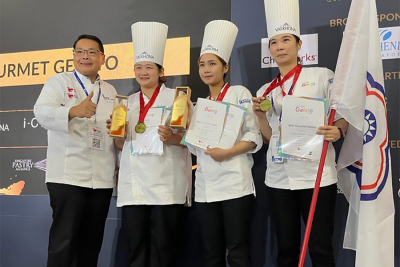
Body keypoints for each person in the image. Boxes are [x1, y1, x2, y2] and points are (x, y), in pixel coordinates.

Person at [252, 1, 348, 266]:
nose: (279, 46)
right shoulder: (265, 90)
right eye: (274, 42)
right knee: (286, 249)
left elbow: (342, 116)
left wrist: (338, 130)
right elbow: (270, 138)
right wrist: (261, 116)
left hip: (316, 175)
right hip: (279, 178)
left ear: (298, 45)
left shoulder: (320, 76)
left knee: (320, 247)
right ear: (269, 49)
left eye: (285, 40)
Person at [109, 22, 192, 267]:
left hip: (166, 183)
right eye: (138, 67)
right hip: (135, 186)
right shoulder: (125, 103)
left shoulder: (178, 98)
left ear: (160, 70)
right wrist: (117, 132)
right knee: (136, 246)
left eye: (148, 67)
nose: (143, 72)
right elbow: (121, 144)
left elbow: (191, 139)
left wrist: (173, 137)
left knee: (164, 248)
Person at [34, 34, 117, 267]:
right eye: (79, 51)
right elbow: (41, 112)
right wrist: (73, 111)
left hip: (101, 179)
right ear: (73, 56)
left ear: (102, 58)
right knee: (64, 243)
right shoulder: (59, 82)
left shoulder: (110, 91)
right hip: (67, 176)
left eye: (91, 52)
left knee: (91, 245)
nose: (85, 57)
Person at [190, 20, 262, 267]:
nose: (206, 69)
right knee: (211, 253)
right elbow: (194, 146)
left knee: (238, 250)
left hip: (234, 184)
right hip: (206, 188)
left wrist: (228, 152)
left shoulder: (239, 93)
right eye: (202, 65)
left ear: (225, 67)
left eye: (212, 64)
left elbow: (253, 136)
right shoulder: (197, 105)